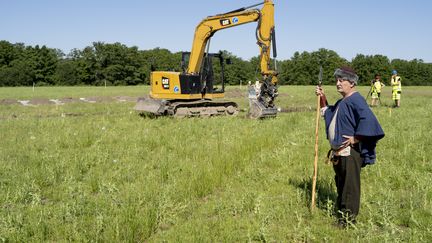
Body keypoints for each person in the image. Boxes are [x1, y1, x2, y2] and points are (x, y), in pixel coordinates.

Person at [315, 66, 385, 227]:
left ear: (352, 83)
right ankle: (342, 213)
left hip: (350, 153)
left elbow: (369, 121)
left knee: (350, 187)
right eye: (336, 80)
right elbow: (328, 112)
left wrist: (356, 138)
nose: (338, 83)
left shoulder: (356, 99)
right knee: (341, 184)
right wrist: (322, 96)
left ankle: (347, 221)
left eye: (341, 80)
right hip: (339, 153)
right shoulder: (343, 101)